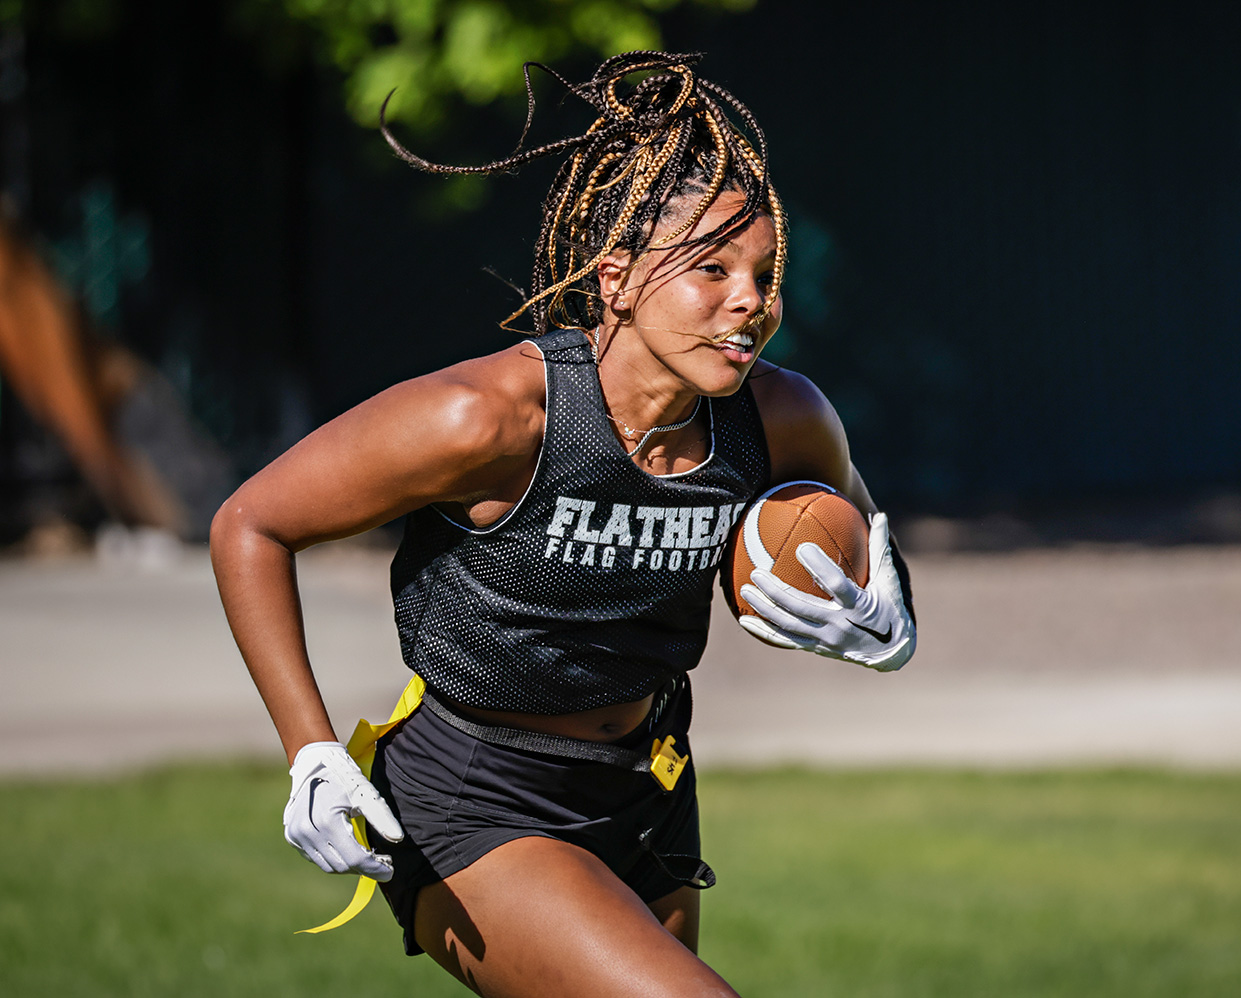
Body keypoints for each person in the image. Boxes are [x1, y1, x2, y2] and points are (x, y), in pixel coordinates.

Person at [210, 51, 915, 997]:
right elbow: (250, 523)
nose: (752, 301)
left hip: (651, 782)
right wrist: (311, 752)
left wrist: (891, 610)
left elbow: (862, 526)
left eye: (763, 273)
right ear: (617, 277)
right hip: (479, 793)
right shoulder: (493, 418)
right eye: (711, 269)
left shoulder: (782, 418)